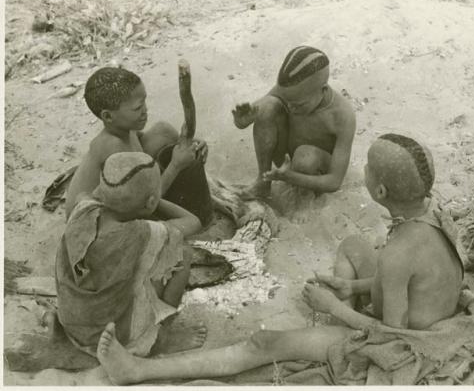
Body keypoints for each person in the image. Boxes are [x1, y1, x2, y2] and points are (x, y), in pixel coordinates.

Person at [94, 134, 471, 385]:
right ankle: (335, 318)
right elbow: (408, 275)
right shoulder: (431, 213)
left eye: (369, 169)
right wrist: (354, 286)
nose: (365, 171)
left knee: (263, 343)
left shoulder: (398, 253)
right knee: (355, 245)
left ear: (381, 190)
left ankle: (137, 370)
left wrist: (334, 308)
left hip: (409, 340)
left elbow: (391, 336)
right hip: (422, 302)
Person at [56, 152, 205, 358]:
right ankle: (161, 337)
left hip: (74, 325)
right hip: (113, 337)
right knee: (182, 251)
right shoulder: (141, 233)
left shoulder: (83, 208)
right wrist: (154, 199)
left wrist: (131, 197)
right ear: (150, 202)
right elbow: (193, 222)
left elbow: (84, 194)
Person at [65, 66, 208, 220]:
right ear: (108, 116)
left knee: (163, 130)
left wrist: (187, 143)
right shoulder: (113, 147)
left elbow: (145, 140)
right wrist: (175, 165)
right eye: (138, 108)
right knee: (188, 223)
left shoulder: (125, 128)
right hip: (95, 218)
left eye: (144, 102)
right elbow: (145, 202)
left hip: (126, 186)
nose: (145, 110)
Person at [232, 45, 356, 199]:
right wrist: (243, 121)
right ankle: (263, 183)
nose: (290, 107)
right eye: (287, 100)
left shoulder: (342, 115)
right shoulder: (291, 91)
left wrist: (288, 177)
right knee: (268, 105)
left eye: (298, 105)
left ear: (323, 90)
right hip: (287, 162)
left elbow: (334, 182)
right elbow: (256, 115)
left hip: (314, 169)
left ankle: (304, 196)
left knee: (305, 155)